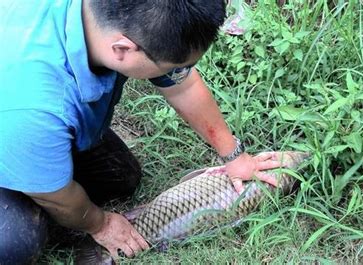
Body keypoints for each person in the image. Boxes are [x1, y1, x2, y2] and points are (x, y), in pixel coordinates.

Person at [0, 0, 283, 263]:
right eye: (174, 66)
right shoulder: (37, 107)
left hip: (22, 121)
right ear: (122, 50)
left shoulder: (130, 19)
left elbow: (183, 86)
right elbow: (53, 194)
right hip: (17, 114)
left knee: (120, 176)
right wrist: (99, 223)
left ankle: (35, 164)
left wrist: (233, 155)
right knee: (14, 241)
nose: (180, 72)